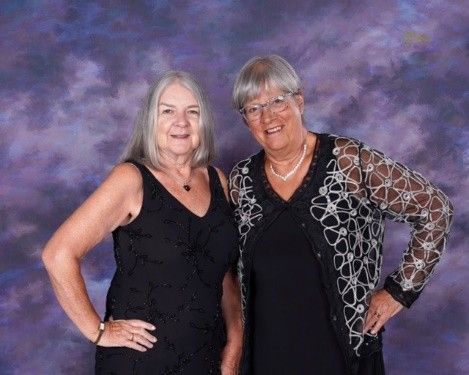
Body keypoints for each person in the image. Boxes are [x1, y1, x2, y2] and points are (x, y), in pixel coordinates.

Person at [228, 55, 453, 375]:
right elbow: (222, 266)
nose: (268, 116)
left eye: (278, 101)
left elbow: (435, 208)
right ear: (245, 120)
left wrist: (397, 293)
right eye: (254, 108)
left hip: (343, 353)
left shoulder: (348, 161)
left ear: (299, 102)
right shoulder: (241, 181)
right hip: (267, 355)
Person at [42, 71, 243, 374]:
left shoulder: (219, 182)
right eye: (168, 111)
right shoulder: (131, 179)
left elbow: (224, 274)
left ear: (204, 122)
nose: (181, 122)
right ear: (151, 121)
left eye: (192, 112)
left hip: (206, 358)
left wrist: (235, 343)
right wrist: (97, 331)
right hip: (139, 362)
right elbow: (58, 255)